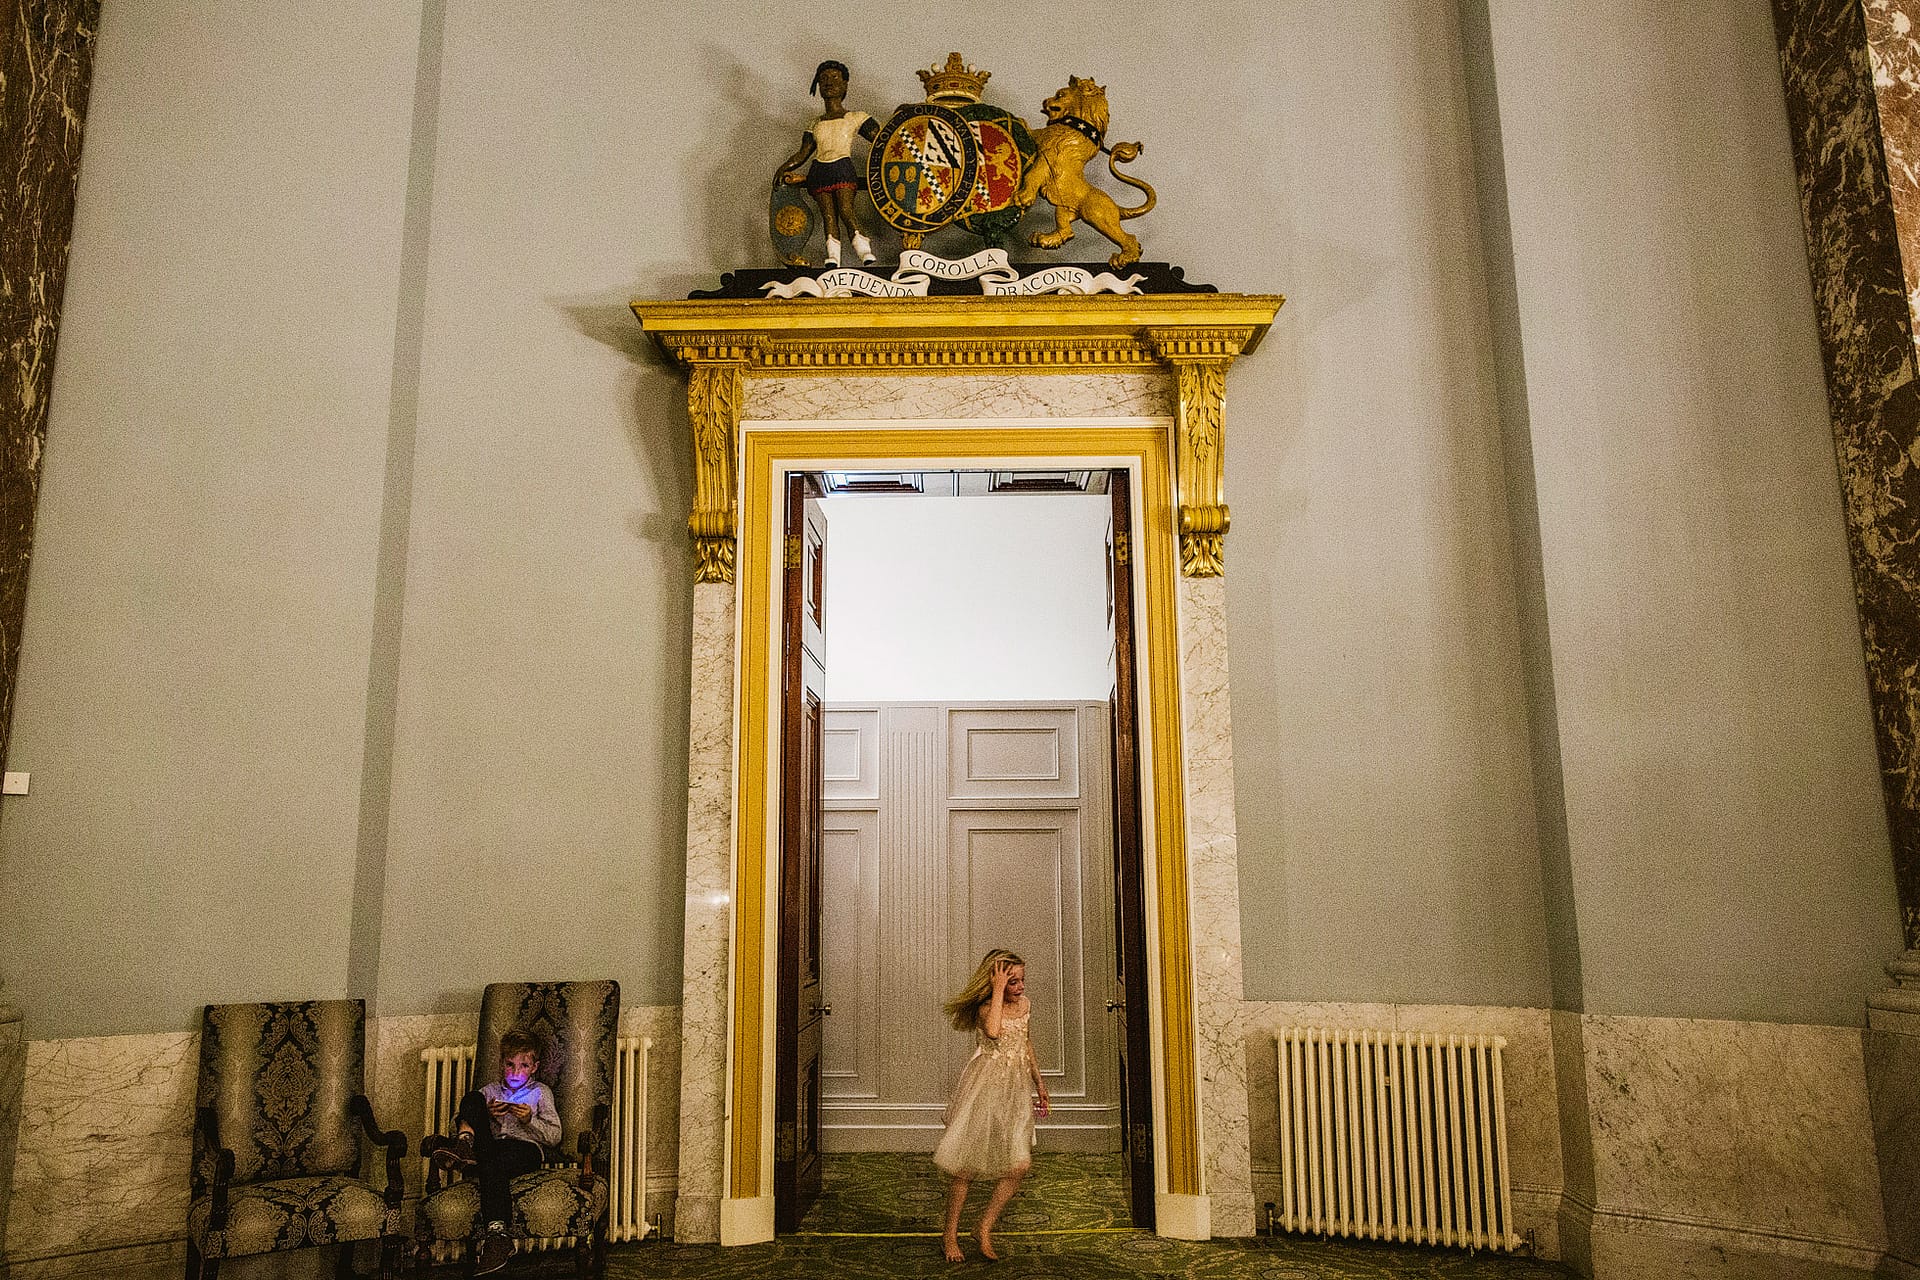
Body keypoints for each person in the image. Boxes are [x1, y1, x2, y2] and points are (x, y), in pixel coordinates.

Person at [933, 948, 1051, 1262]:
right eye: (1013, 982)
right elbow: (995, 1032)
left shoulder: (1025, 1005)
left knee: (1020, 1164)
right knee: (966, 1167)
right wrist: (998, 990)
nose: (1021, 988)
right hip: (984, 1091)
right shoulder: (988, 1008)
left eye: (1022, 980)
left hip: (1014, 1091)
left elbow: (1026, 1044)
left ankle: (984, 1226)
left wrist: (1039, 1083)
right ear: (996, 982)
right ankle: (950, 1234)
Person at [422, 1028, 562, 1275]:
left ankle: (497, 1236)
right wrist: (485, 1114)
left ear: (534, 1067)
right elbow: (458, 1118)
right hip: (491, 1146)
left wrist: (530, 1120)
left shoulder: (540, 1092)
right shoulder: (491, 1092)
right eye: (510, 1064)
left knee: (491, 1162)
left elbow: (554, 1137)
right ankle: (464, 1146)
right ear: (501, 1063)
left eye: (523, 1065)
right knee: (472, 1099)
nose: (515, 1072)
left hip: (525, 1149)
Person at [775, 59, 879, 267]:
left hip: (842, 167)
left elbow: (881, 140)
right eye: (823, 79)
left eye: (834, 78)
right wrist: (784, 167)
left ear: (845, 84)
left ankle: (863, 249)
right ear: (818, 86)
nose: (829, 83)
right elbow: (803, 153)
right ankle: (833, 257)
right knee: (829, 216)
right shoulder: (815, 123)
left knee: (846, 211)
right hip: (819, 170)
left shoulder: (855, 117)